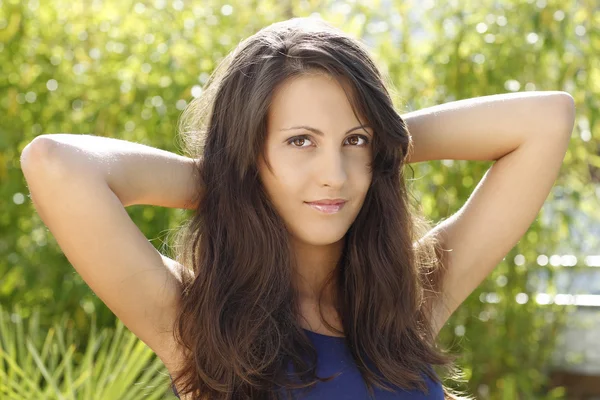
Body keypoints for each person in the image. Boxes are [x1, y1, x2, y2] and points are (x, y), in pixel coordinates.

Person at [20, 15, 574, 400]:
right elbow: (56, 164)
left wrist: (382, 140)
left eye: (352, 142)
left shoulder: (409, 298)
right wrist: (229, 177)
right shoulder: (194, 323)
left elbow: (547, 119)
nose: (333, 175)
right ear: (249, 152)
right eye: (300, 141)